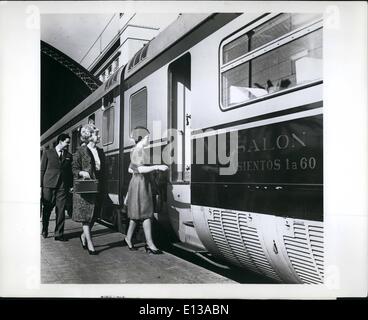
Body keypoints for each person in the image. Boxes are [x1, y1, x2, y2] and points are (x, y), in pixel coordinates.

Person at [124, 127, 168, 254]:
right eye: (147, 137)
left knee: (137, 214)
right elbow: (141, 169)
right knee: (147, 214)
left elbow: (130, 169)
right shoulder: (139, 150)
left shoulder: (135, 150)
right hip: (141, 184)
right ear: (141, 138)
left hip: (137, 183)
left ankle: (128, 238)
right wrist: (157, 167)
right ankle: (150, 244)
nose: (149, 139)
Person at [72, 124, 106, 255]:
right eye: (96, 134)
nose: (99, 136)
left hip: (98, 186)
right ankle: (90, 244)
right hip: (86, 188)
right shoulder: (80, 151)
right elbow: (74, 168)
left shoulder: (100, 151)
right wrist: (81, 173)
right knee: (86, 217)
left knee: (95, 215)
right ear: (89, 137)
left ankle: (83, 236)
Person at [40, 133, 73, 241]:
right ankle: (44, 229)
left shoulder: (69, 156)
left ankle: (59, 234)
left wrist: (71, 185)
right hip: (48, 185)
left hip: (62, 186)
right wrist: (40, 185)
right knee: (47, 208)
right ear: (60, 141)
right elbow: (42, 170)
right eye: (67, 142)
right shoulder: (47, 153)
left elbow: (70, 173)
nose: (68, 145)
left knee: (61, 209)